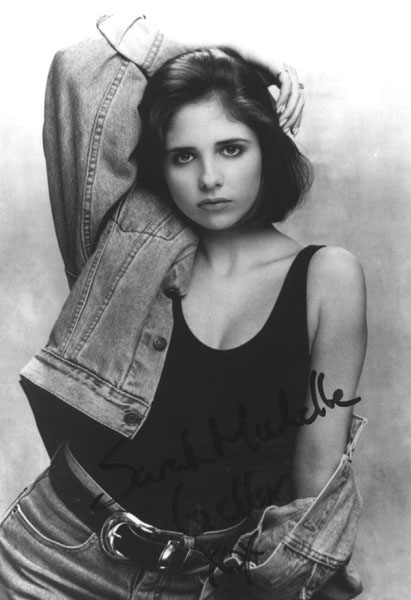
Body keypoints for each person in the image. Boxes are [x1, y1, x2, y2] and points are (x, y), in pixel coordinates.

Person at [0, 13, 367, 600]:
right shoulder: (130, 239)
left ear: (268, 148)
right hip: (50, 561)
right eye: (183, 157)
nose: (210, 178)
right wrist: (233, 53)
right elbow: (82, 65)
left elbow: (313, 495)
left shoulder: (329, 278)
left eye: (231, 149)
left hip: (196, 585)